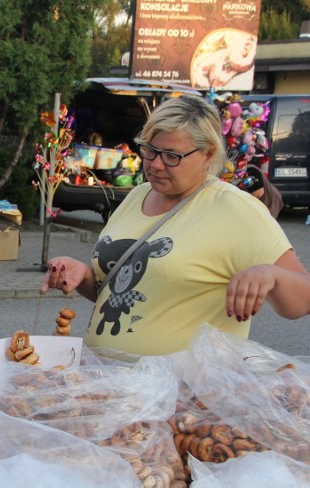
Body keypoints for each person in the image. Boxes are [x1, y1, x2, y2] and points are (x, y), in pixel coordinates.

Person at [41, 95, 310, 359]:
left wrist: (271, 275)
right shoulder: (137, 197)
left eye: (172, 155)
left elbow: (303, 299)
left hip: (183, 397)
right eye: (150, 150)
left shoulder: (235, 209)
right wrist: (84, 275)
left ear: (208, 154)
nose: (156, 164)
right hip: (111, 386)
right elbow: (117, 292)